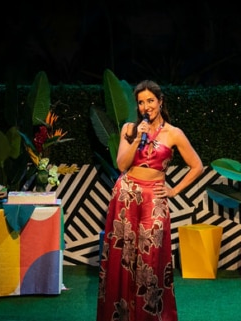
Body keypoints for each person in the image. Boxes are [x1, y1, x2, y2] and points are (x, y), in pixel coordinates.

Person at [96, 80, 203, 321]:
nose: (146, 106)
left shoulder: (174, 133)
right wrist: (136, 138)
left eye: (150, 100)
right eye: (141, 102)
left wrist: (174, 191)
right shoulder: (129, 129)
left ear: (160, 101)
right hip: (126, 196)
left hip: (154, 198)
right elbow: (121, 164)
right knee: (122, 259)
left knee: (150, 260)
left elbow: (197, 166)